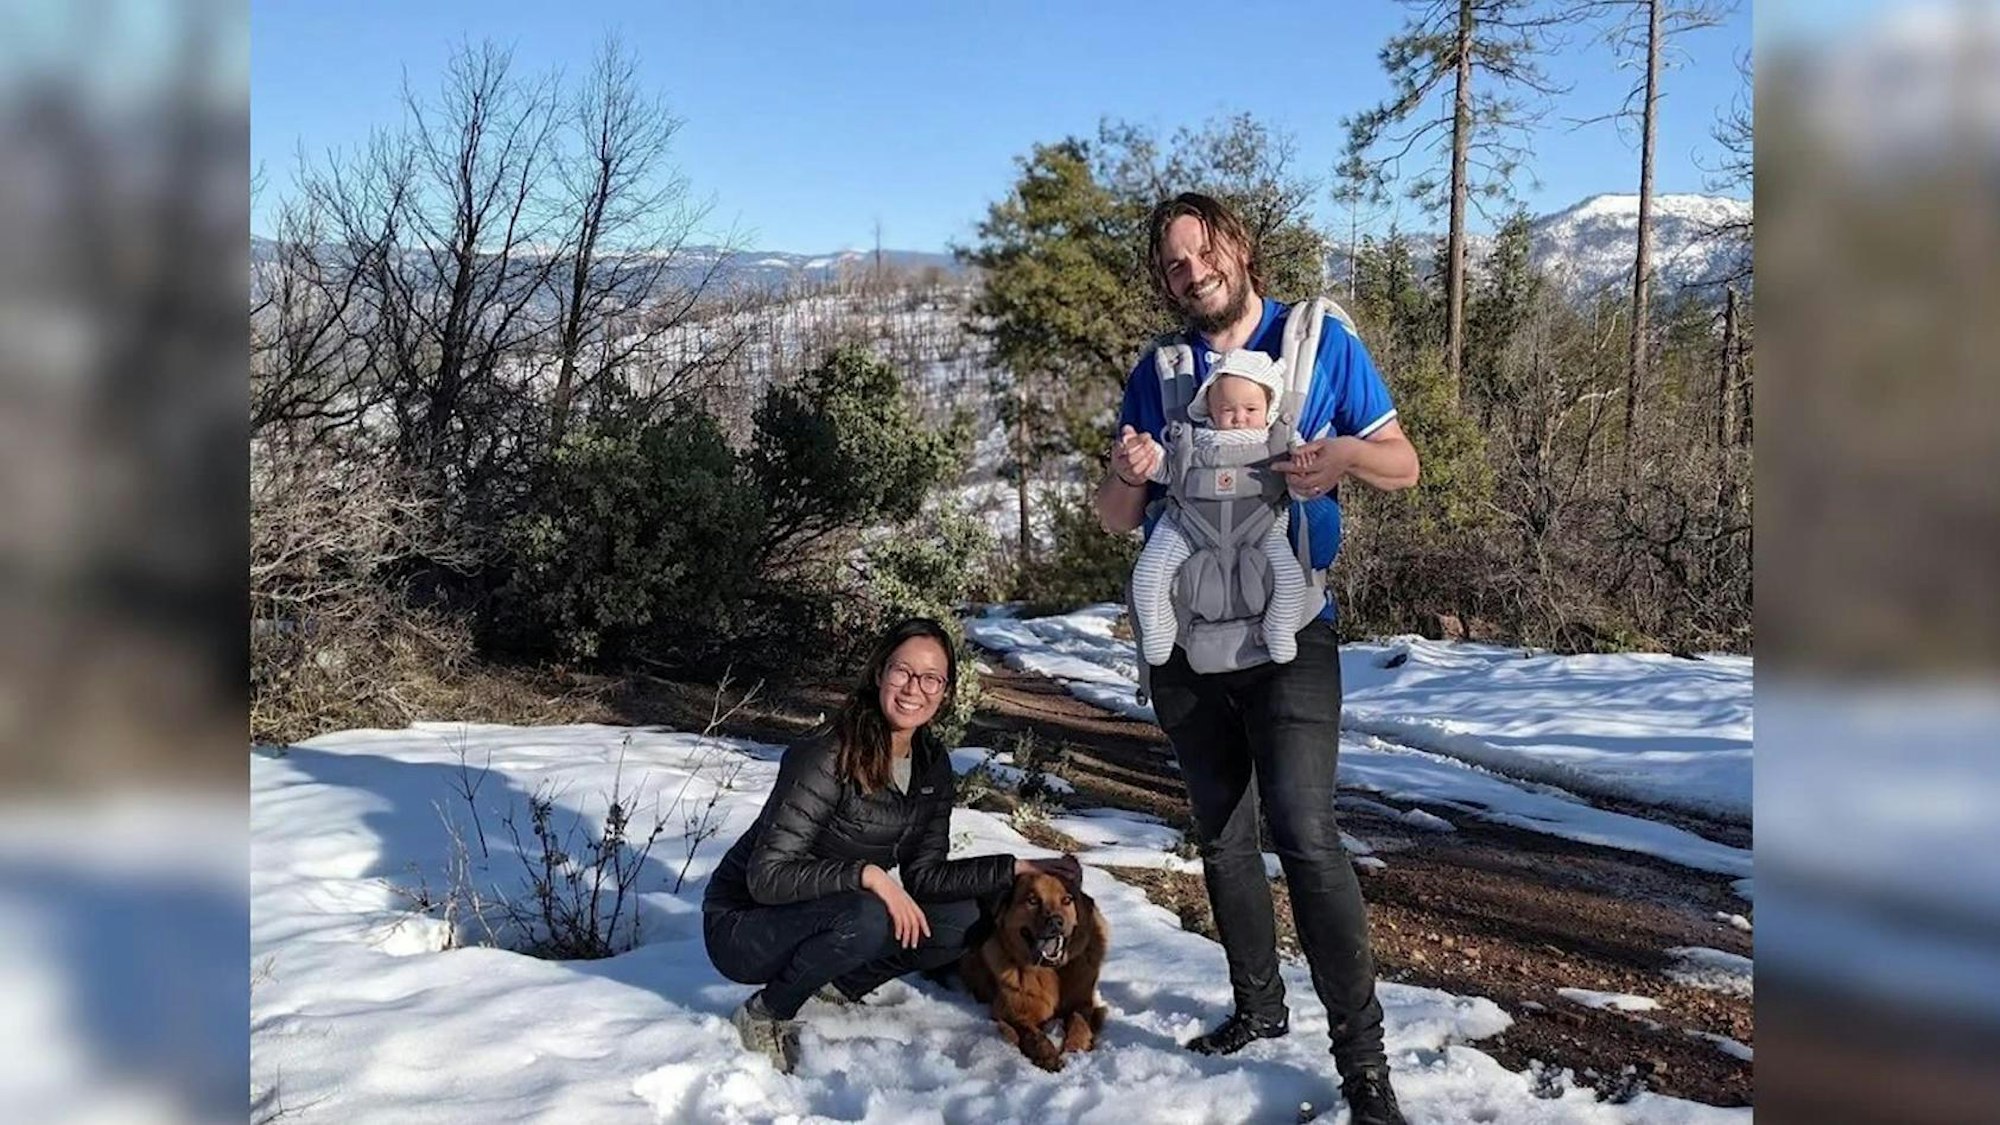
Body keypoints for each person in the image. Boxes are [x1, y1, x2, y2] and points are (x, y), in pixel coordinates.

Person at [1095, 193, 1421, 1125]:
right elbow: (1121, 517)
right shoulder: (1157, 373)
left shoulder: (1317, 342)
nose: (1190, 272)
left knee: (1304, 832)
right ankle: (1257, 1005)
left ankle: (1364, 1066)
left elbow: (1405, 461)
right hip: (1189, 645)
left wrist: (1345, 457)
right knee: (1222, 834)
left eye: (1201, 253)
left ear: (1238, 246)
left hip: (1291, 627)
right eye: (1172, 265)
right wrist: (1126, 468)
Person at [702, 617, 1081, 1074]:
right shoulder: (826, 754)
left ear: (945, 692)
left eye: (931, 678)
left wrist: (1016, 867)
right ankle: (765, 1013)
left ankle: (836, 986)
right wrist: (869, 875)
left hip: (831, 908)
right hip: (745, 925)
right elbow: (767, 877)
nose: (913, 689)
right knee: (868, 915)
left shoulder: (930, 763)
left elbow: (927, 876)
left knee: (966, 919)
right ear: (880, 672)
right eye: (902, 671)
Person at [1127, 347, 1314, 667]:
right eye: (1227, 409)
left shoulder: (1282, 442)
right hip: (1188, 525)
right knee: (1147, 574)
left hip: (1261, 527)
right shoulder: (1192, 438)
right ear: (1209, 410)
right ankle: (1158, 630)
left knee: (1292, 580)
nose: (1239, 417)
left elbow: (1300, 492)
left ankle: (1279, 627)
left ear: (1269, 408)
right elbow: (1169, 470)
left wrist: (1302, 474)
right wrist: (1146, 458)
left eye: (1251, 408)